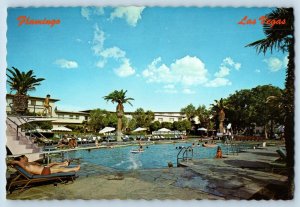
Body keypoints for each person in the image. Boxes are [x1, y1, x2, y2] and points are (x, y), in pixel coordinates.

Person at [8, 155, 80, 175]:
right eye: (23, 158)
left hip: (43, 169)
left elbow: (35, 164)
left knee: (56, 167)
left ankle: (65, 164)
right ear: (20, 160)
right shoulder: (22, 165)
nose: (25, 158)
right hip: (43, 172)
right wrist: (12, 162)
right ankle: (74, 169)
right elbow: (14, 162)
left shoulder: (26, 164)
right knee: (59, 169)